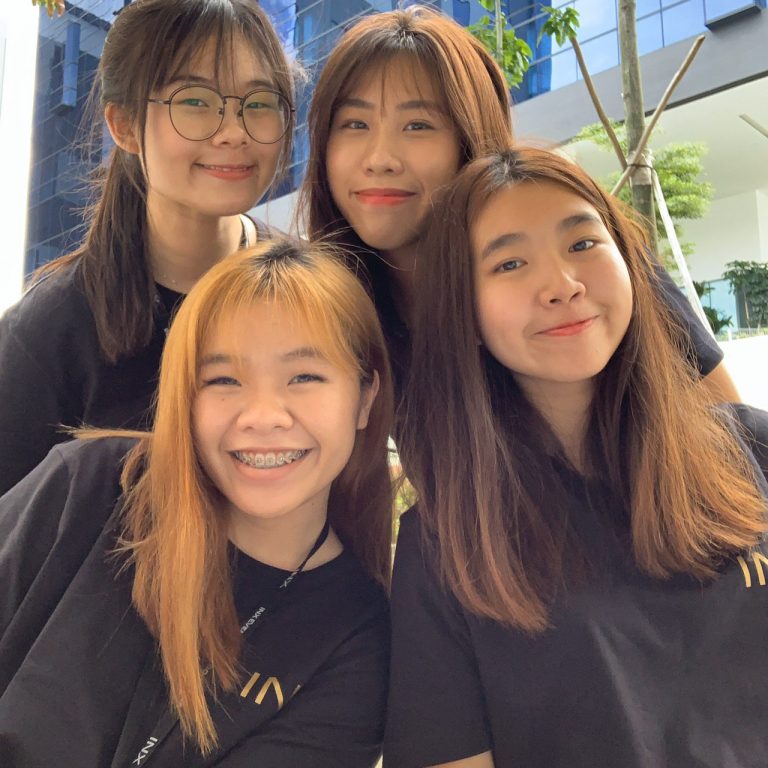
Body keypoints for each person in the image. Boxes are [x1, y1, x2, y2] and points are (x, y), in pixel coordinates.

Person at [385, 148, 768, 768]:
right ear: (467, 314)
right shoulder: (445, 547)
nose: (563, 285)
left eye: (584, 244)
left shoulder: (754, 449)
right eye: (509, 262)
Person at [0, 240, 394, 767]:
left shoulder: (355, 634)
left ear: (365, 398)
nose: (262, 416)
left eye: (304, 377)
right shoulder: (90, 485)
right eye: (223, 380)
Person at [301, 6, 738, 404]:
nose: (379, 159)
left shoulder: (585, 263)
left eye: (418, 125)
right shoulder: (342, 308)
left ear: (471, 141)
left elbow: (730, 433)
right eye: (354, 124)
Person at [0, 0, 295, 495]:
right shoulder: (47, 335)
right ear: (124, 126)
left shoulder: (308, 289)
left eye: (258, 103)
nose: (233, 131)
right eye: (195, 102)